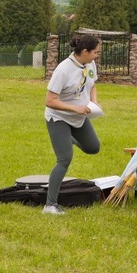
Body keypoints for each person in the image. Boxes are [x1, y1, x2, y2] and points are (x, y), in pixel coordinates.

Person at [44, 34, 102, 215]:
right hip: (59, 117)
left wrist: (93, 103)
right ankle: (50, 205)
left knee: (93, 147)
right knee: (64, 159)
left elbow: (92, 85)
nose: (97, 56)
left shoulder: (89, 64)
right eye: (95, 52)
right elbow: (50, 101)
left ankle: (68, 140)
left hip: (78, 117)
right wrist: (74, 108)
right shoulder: (63, 70)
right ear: (85, 51)